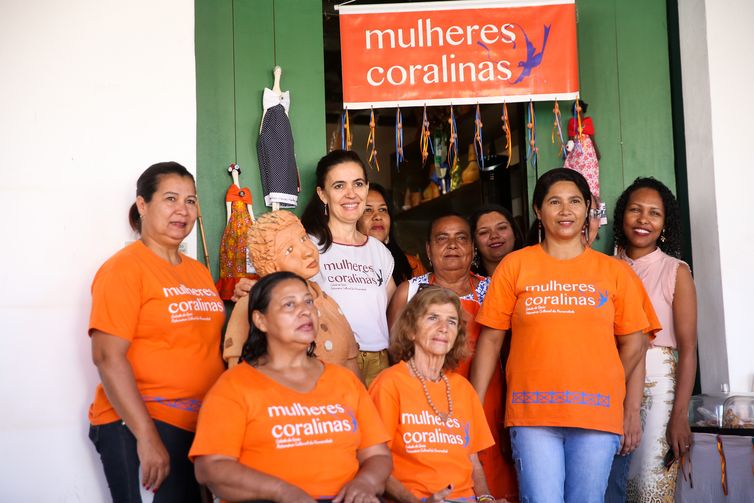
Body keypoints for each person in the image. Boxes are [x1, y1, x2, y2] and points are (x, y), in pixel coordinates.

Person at [472, 168, 651, 503]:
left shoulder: (614, 272)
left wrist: (609, 384)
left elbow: (635, 342)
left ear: (587, 209)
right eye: (555, 201)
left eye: (574, 202)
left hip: (595, 413)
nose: (566, 210)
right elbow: (491, 340)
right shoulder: (515, 266)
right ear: (539, 210)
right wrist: (473, 405)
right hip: (532, 414)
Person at [88, 162, 225, 502]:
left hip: (197, 426)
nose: (183, 209)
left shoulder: (198, 272)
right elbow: (107, 357)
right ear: (142, 205)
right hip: (143, 423)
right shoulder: (124, 269)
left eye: (191, 201)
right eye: (170, 199)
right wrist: (147, 439)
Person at [190, 272, 392, 502]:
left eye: (308, 301)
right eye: (289, 304)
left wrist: (366, 483)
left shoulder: (344, 381)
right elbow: (210, 467)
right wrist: (282, 492)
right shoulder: (234, 386)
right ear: (260, 320)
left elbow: (377, 455)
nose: (305, 310)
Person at [387, 211, 516, 501]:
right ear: (428, 250)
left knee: (491, 477)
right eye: (442, 239)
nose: (453, 245)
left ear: (472, 248)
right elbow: (395, 352)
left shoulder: (492, 289)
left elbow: (509, 353)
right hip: (422, 405)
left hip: (488, 399)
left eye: (461, 238)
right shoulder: (410, 291)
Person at [606, 177, 697, 502]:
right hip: (611, 380)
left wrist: (680, 416)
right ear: (622, 216)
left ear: (665, 224)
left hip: (659, 386)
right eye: (635, 210)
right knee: (614, 484)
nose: (643, 219)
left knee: (650, 486)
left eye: (654, 213)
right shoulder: (605, 268)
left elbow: (687, 351)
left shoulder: (675, 271)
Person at [370, 286, 498, 503]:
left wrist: (486, 498)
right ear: (411, 330)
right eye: (433, 318)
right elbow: (373, 460)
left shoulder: (463, 389)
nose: (443, 328)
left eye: (451, 321)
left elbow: (473, 462)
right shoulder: (389, 383)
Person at [223, 210, 361, 379]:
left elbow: (352, 370)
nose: (307, 251)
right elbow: (237, 376)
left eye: (303, 238)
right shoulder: (251, 304)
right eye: (289, 250)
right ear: (270, 267)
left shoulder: (326, 300)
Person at [301, 150, 397, 386]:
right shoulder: (307, 246)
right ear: (322, 195)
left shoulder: (380, 252)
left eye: (358, 184)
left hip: (379, 363)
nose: (350, 194)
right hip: (329, 359)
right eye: (339, 186)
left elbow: (390, 310)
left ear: (366, 188)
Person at [357, 182, 426, 284]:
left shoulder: (411, 265)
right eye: (367, 210)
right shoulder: (344, 263)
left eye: (382, 209)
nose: (378, 216)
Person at [469, 204, 525, 277]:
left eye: (501, 228)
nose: (494, 236)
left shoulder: (535, 272)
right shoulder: (468, 283)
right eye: (484, 232)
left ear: (514, 233)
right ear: (474, 242)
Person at [564, 100, 601, 197]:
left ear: (583, 111)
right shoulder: (572, 122)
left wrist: (597, 152)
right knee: (576, 177)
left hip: (589, 155)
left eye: (580, 112)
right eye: (576, 112)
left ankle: (592, 200)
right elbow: (570, 140)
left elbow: (592, 138)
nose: (579, 114)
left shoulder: (588, 121)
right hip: (577, 155)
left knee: (590, 178)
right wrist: (567, 153)